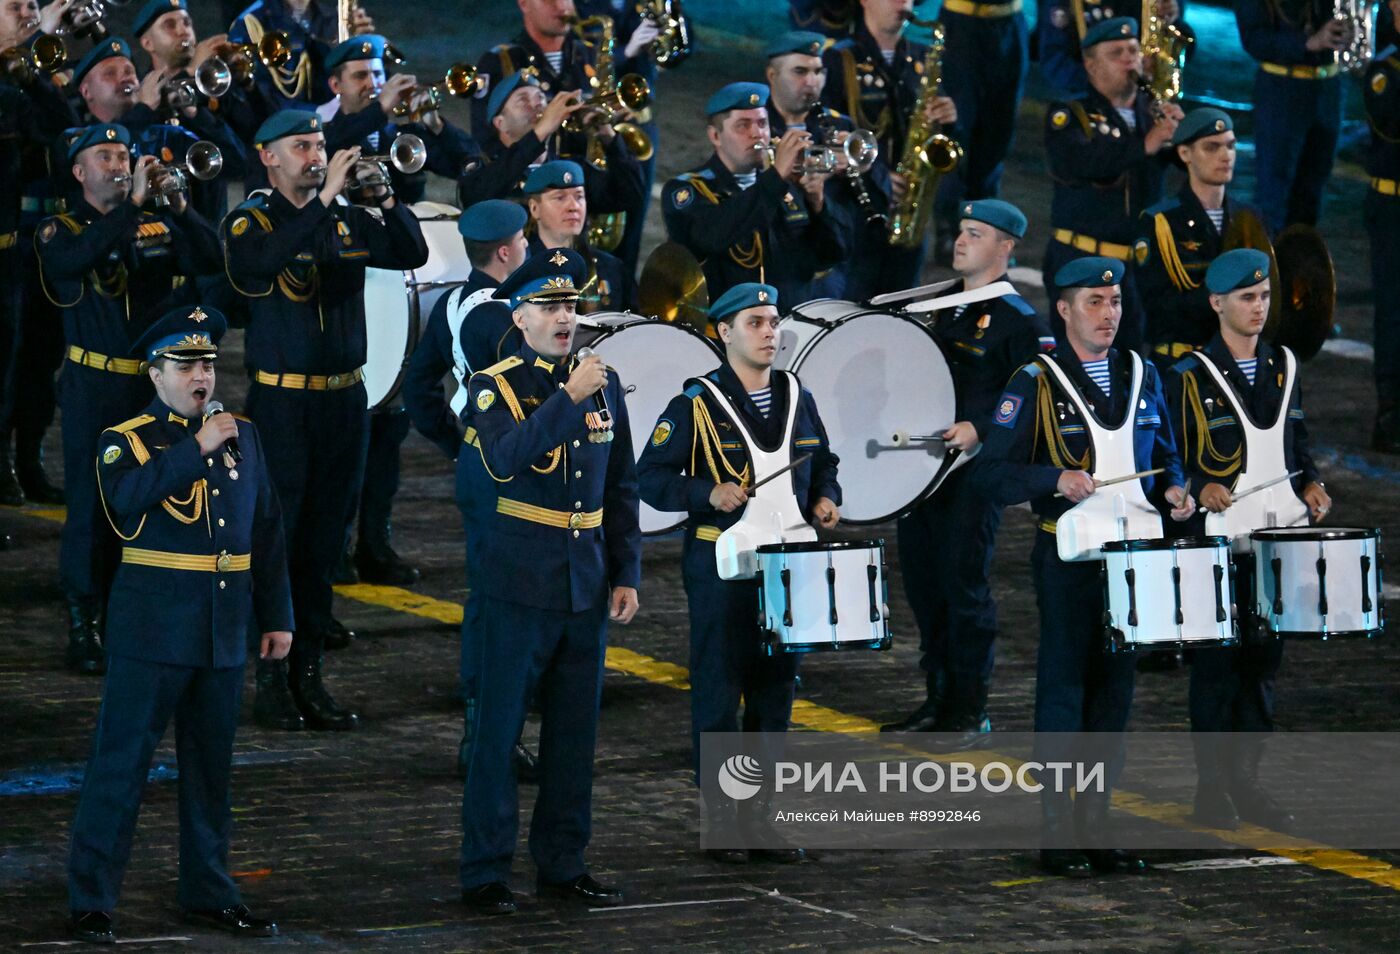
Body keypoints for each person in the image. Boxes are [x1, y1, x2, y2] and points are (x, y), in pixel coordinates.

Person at [65, 305, 292, 945]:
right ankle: (91, 896)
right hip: (153, 630)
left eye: (208, 364)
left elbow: (267, 529)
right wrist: (196, 448)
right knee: (121, 767)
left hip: (222, 628)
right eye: (186, 365)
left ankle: (208, 890)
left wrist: (277, 615)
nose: (201, 376)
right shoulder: (126, 440)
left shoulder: (243, 434)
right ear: (155, 374)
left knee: (211, 771)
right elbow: (126, 501)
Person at [978, 256, 1194, 877]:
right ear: (1064, 310)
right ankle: (1057, 831)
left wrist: (1174, 490)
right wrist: (1053, 478)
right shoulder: (1036, 381)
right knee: (1065, 690)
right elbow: (991, 474)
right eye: (1094, 303)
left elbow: (1166, 454)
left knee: (1114, 695)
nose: (1108, 314)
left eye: (1116, 302)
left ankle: (1097, 826)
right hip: (1069, 561)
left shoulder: (1141, 373)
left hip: (1133, 561)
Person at [222, 109, 428, 731]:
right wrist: (325, 201)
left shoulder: (345, 217)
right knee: (278, 540)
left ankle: (309, 674)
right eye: (301, 146)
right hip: (283, 405)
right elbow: (261, 264)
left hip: (344, 401)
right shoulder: (250, 221)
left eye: (319, 144)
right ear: (268, 157)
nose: (315, 154)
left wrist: (384, 198)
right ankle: (271, 678)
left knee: (324, 541)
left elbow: (411, 251)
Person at [456, 247, 641, 915]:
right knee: (499, 735)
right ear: (520, 316)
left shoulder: (603, 383)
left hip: (583, 582)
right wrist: (567, 398)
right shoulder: (493, 387)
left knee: (573, 737)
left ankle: (563, 862)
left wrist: (626, 570)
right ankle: (485, 870)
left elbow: (620, 485)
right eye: (550, 306)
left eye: (571, 304)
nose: (565, 317)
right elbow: (506, 459)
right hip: (516, 583)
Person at [637, 282, 840, 864]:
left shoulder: (797, 395)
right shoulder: (696, 403)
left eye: (773, 322)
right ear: (724, 332)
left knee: (776, 691)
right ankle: (724, 817)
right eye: (755, 322)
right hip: (721, 568)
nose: (769, 332)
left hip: (788, 563)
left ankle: (760, 816)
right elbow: (649, 477)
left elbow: (823, 460)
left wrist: (827, 495)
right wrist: (706, 493)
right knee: (720, 689)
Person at [36, 122, 223, 676]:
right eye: (105, 156)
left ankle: (136, 611)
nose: (119, 165)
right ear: (79, 171)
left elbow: (211, 261)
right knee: (92, 504)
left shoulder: (151, 222)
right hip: (93, 386)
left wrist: (181, 208)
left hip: (149, 387)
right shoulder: (59, 228)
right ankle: (84, 618)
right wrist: (135, 204)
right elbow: (75, 260)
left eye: (123, 155)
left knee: (157, 496)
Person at [1162, 248, 1329, 833]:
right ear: (1217, 303)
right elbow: (1168, 456)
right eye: (1246, 298)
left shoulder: (1284, 364)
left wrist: (1312, 482)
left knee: (1262, 666)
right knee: (1217, 669)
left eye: (1263, 297)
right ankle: (1211, 790)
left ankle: (1247, 783)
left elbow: (1295, 440)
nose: (1258, 308)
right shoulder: (1186, 375)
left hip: (1274, 541)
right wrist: (1197, 484)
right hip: (1217, 546)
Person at [880, 200, 1051, 747]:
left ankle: (970, 708)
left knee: (963, 587)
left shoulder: (1018, 321)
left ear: (1006, 247)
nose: (960, 240)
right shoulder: (939, 306)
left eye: (976, 234)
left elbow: (1034, 399)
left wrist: (981, 426)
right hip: (921, 473)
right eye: (960, 230)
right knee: (924, 586)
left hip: (973, 477)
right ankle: (938, 699)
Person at [320, 32, 480, 587]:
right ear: (335, 84)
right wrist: (377, 112)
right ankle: (335, 546)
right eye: (360, 76)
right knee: (347, 436)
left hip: (400, 280)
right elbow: (327, 149)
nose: (373, 84)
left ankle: (374, 542)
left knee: (389, 429)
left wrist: (434, 124)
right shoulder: (323, 130)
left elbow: (467, 163)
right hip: (349, 283)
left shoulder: (398, 132)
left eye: (378, 75)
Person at [1042, 16, 1180, 352]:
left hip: (1140, 267)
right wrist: (1145, 144)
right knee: (1081, 361)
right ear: (1091, 65)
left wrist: (1185, 137)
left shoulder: (1153, 115)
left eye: (1133, 50)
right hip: (1082, 261)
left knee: (1136, 362)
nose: (1129, 59)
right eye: (1116, 53)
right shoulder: (1070, 114)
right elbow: (1080, 162)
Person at [662, 82, 848, 307]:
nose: (757, 134)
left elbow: (830, 256)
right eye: (743, 125)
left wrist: (817, 202)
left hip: (790, 319)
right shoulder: (687, 190)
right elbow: (714, 236)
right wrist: (776, 177)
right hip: (726, 323)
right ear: (715, 136)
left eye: (762, 123)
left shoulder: (785, 184)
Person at [0, 0, 80, 508]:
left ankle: (25, 460)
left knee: (34, 360)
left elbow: (60, 127)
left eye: (32, 4)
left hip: (17, 249)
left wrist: (34, 64)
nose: (28, 11)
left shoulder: (27, 75)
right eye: (15, 6)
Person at [821, 0, 959, 271]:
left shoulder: (922, 58)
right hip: (856, 210)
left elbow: (937, 135)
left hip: (908, 209)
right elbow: (827, 133)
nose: (902, 2)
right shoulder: (838, 59)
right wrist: (878, 174)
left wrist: (949, 119)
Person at [764, 29, 892, 302]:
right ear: (772, 76)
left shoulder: (839, 125)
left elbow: (883, 194)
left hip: (835, 264)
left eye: (818, 72)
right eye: (800, 72)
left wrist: (863, 170)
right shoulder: (757, 126)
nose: (812, 82)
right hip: (776, 262)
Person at [1134, 108, 1264, 365]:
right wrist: (1231, 300)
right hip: (1183, 363)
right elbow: (1159, 305)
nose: (1225, 156)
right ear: (1185, 153)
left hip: (1237, 362)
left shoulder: (1250, 218)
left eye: (1230, 146)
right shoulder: (1160, 222)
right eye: (1211, 147)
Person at [404, 200, 530, 462]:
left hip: (474, 451)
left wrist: (454, 446)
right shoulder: (511, 315)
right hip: (517, 454)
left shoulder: (448, 303)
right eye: (521, 238)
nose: (527, 243)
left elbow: (417, 388)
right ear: (504, 253)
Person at [457, 71, 644, 221]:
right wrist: (540, 132)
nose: (537, 104)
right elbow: (476, 198)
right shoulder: (483, 167)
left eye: (540, 97)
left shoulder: (571, 169)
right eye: (523, 100)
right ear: (501, 123)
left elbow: (631, 196)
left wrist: (608, 137)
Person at [1235, 0, 1352, 232]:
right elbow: (1254, 39)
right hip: (1282, 88)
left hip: (1328, 86)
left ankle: (1300, 251)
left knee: (1313, 188)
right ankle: (1269, 252)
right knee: (1274, 192)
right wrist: (1308, 42)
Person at [523, 160, 633, 312]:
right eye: (560, 198)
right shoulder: (521, 269)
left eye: (579, 197)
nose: (574, 207)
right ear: (534, 208)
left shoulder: (610, 268)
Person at [1365, 2, 1400, 454]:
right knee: (1394, 311)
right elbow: (1392, 125)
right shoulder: (1385, 70)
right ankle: (1390, 415)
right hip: (1393, 206)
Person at [1037, 0, 1192, 97]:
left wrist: (1173, 20)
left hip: (1147, 100)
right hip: (1088, 99)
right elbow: (1054, 64)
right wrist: (1109, 78)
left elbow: (1183, 48)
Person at [227, 0, 341, 111]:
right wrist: (317, 111)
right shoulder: (249, 24)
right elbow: (257, 98)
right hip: (281, 121)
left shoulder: (332, 16)